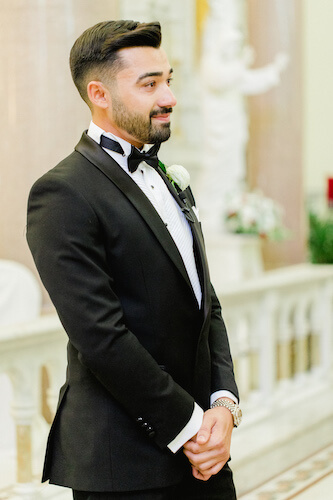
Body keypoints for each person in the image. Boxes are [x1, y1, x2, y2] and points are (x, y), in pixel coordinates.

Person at [26, 20, 241, 500]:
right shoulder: (62, 193)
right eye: (150, 84)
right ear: (99, 93)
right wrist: (191, 427)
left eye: (169, 79)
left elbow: (206, 304)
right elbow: (101, 338)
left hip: (207, 454)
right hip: (123, 465)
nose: (169, 97)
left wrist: (224, 406)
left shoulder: (168, 175)